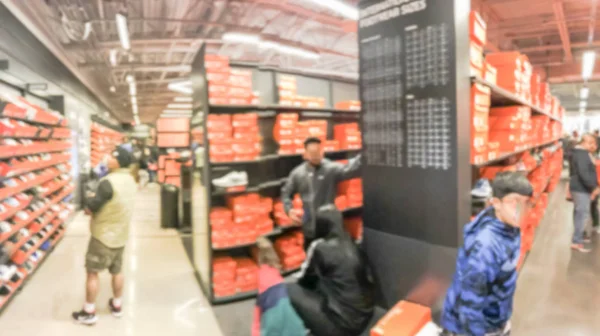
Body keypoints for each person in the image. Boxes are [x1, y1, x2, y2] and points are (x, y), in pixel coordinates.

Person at [440, 172, 533, 336]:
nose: (522, 210)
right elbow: (470, 304)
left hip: (496, 316)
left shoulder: (510, 225)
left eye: (526, 203)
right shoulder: (485, 247)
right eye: (515, 202)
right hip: (479, 326)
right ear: (496, 203)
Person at [72, 146, 137, 325]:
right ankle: (117, 305)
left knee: (92, 273)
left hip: (102, 236)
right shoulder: (130, 180)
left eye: (112, 157)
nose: (107, 158)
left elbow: (93, 207)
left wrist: (89, 204)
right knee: (117, 271)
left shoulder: (108, 182)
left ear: (119, 163)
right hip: (121, 235)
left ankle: (89, 311)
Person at [287, 206, 374, 336]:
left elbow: (305, 281)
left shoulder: (321, 248)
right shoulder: (354, 244)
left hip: (343, 326)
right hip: (366, 317)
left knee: (287, 289)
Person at [281, 137, 361, 248]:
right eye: (312, 152)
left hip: (330, 229)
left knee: (331, 260)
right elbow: (286, 193)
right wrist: (289, 210)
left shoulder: (331, 169)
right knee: (313, 258)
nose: (316, 155)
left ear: (322, 151)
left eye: (318, 151)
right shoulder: (297, 174)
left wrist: (366, 152)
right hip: (309, 228)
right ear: (306, 154)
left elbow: (352, 168)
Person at [251, 237, 305, 336]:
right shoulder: (275, 271)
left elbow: (258, 310)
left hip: (271, 308)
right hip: (286, 303)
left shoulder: (260, 274)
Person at [570, 133, 599, 252]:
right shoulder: (581, 154)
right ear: (583, 142)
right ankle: (577, 241)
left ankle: (579, 238)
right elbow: (583, 173)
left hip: (580, 188)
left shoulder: (582, 153)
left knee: (580, 214)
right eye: (590, 143)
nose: (592, 146)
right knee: (582, 214)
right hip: (581, 188)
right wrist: (593, 187)